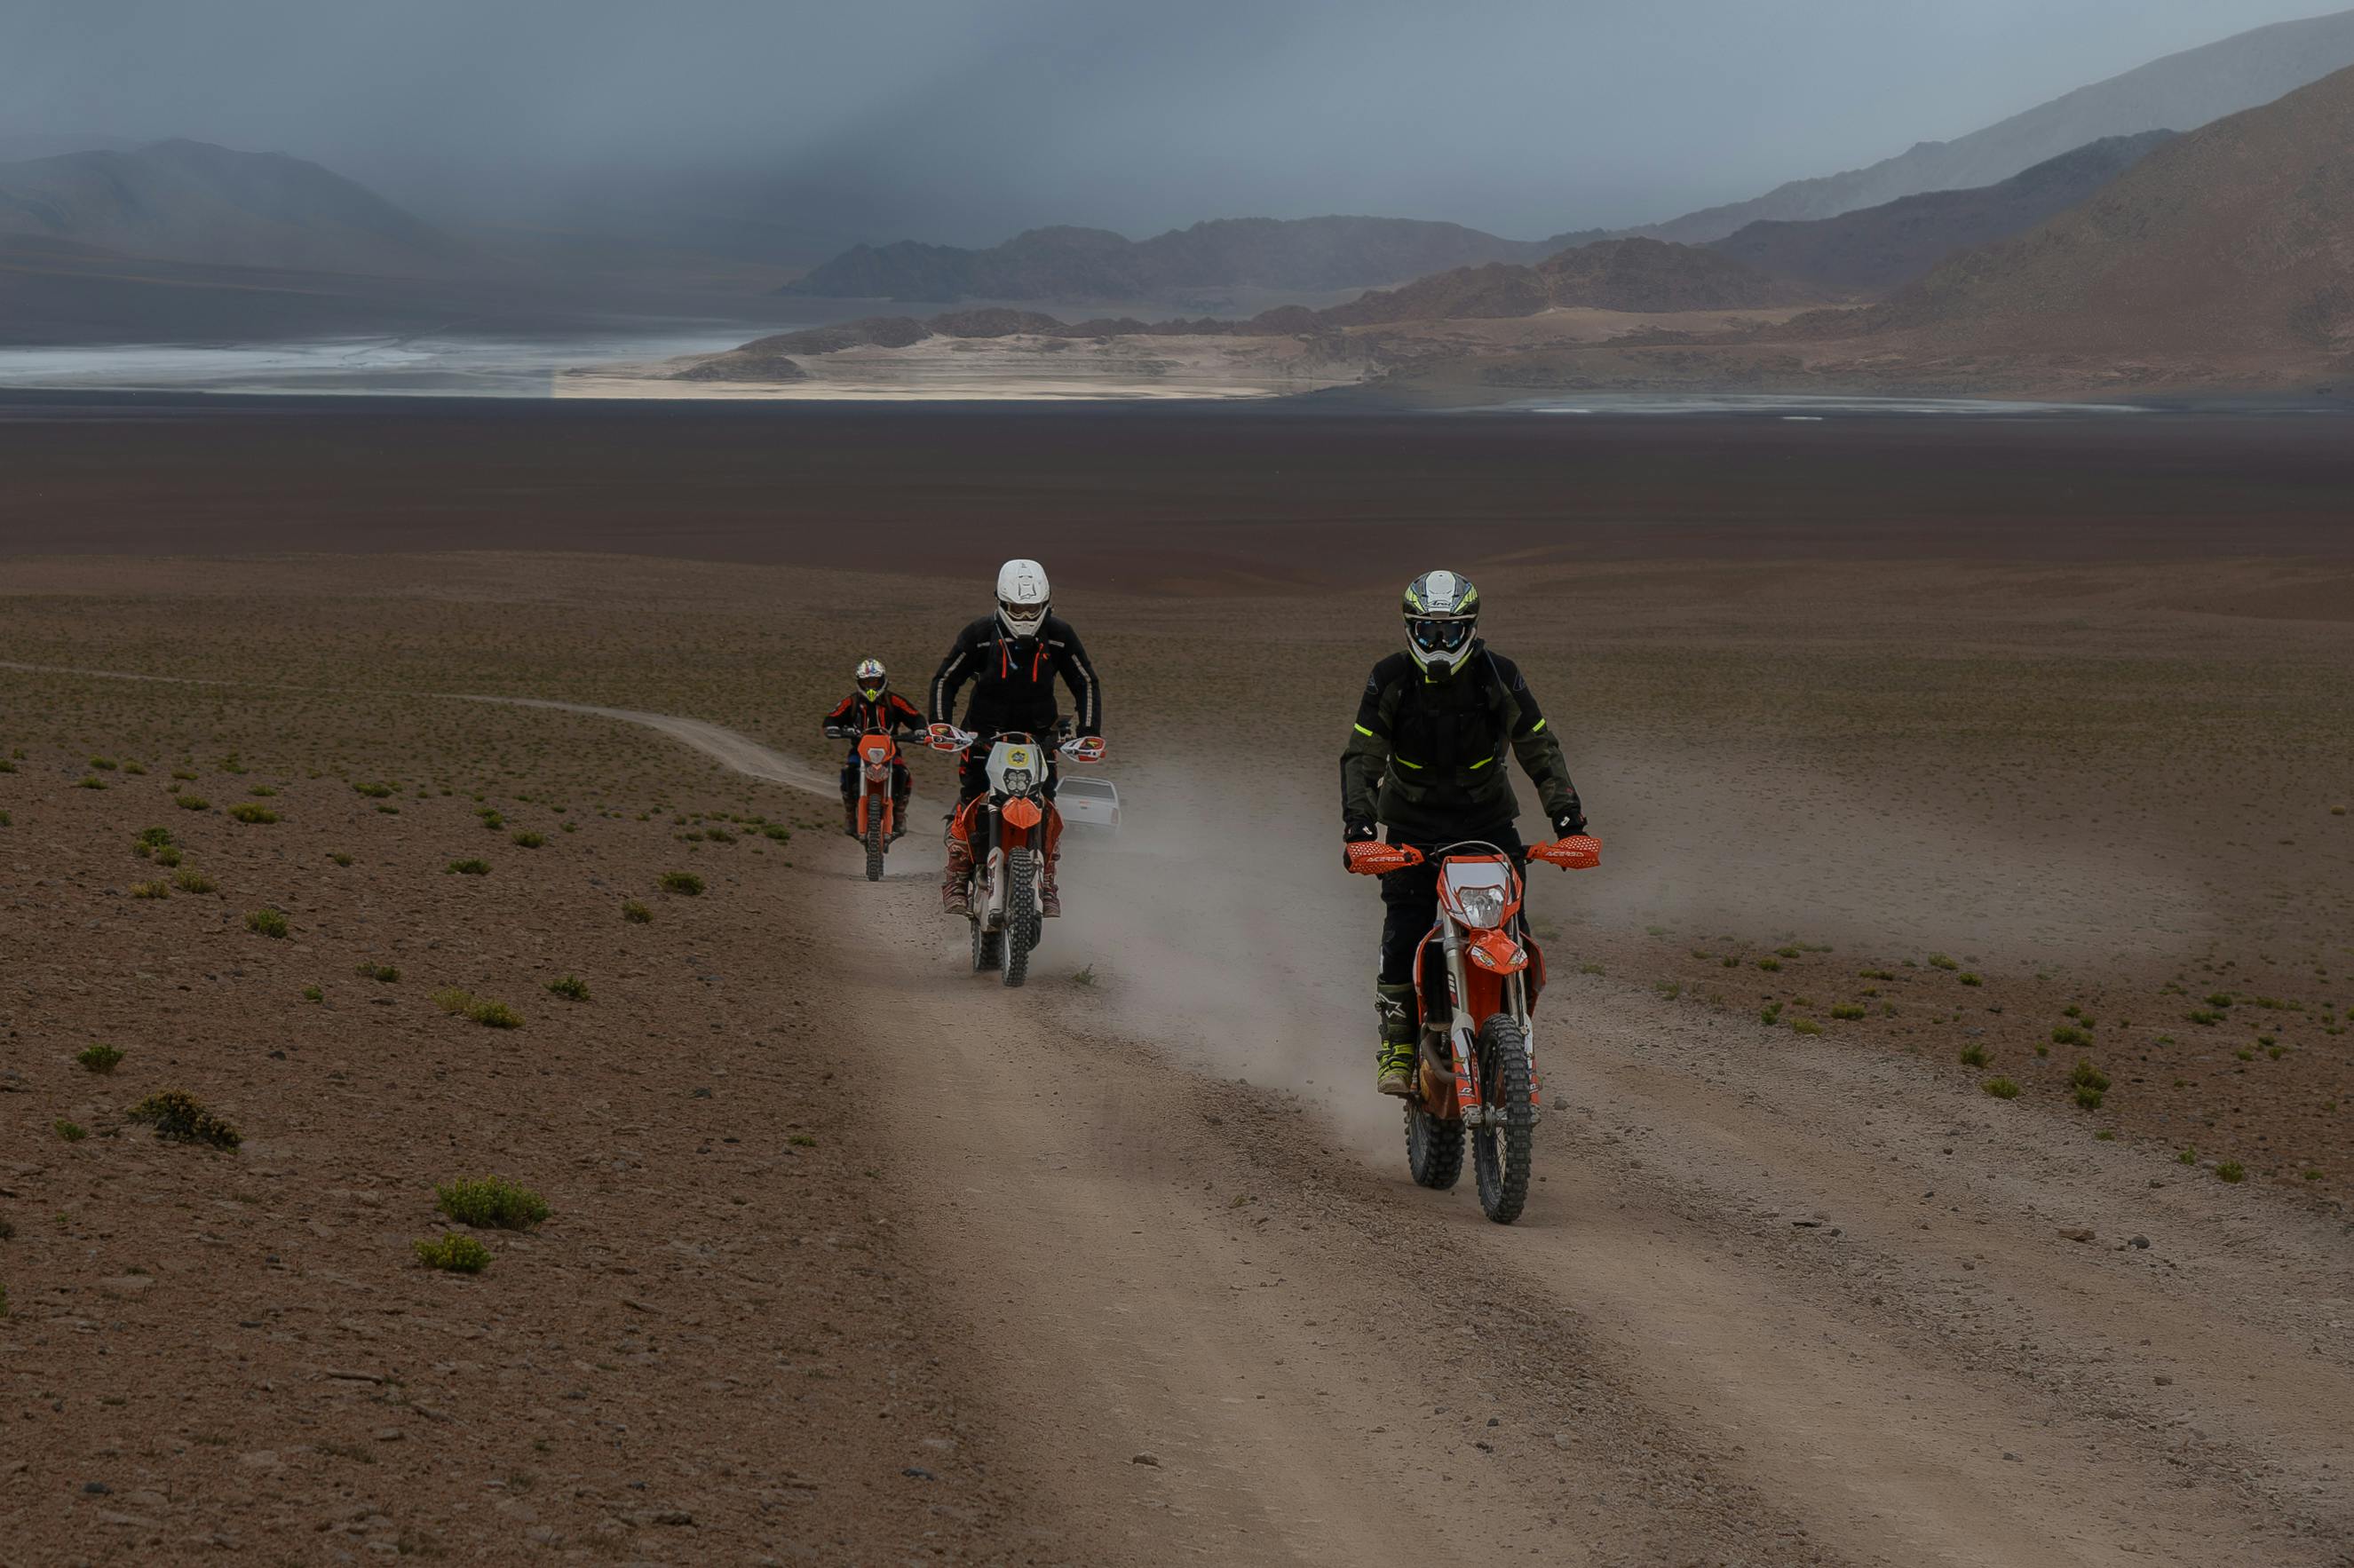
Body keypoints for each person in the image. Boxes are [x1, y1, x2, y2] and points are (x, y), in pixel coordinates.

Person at [1341, 569, 1588, 1095]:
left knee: (1512, 926)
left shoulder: (1498, 674)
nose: (1438, 643)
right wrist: (1359, 829)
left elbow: (1538, 745)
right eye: (1427, 632)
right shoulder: (1389, 677)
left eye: (1449, 632)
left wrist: (1568, 821)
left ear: (1469, 629)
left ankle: (1511, 1031)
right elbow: (1363, 755)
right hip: (1411, 825)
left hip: (1487, 823)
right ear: (1410, 628)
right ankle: (1399, 1042)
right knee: (1405, 926)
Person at [928, 558, 1103, 918]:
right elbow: (946, 678)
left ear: (1047, 603)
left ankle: (1048, 877)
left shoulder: (1059, 635)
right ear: (1001, 602)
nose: (1025, 615)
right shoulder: (979, 635)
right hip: (982, 734)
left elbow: (1085, 681)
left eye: (1033, 608)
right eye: (1017, 608)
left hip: (1040, 737)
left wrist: (1088, 733)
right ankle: (958, 875)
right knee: (973, 798)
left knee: (1047, 804)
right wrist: (941, 724)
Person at [821, 657, 926, 840]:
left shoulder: (894, 701)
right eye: (867, 681)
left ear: (882, 680)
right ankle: (850, 812)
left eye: (874, 681)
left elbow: (915, 715)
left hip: (890, 750)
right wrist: (833, 727)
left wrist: (919, 730)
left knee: (903, 773)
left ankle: (899, 812)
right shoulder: (851, 702)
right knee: (848, 771)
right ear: (860, 682)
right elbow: (833, 717)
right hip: (859, 751)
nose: (871, 685)